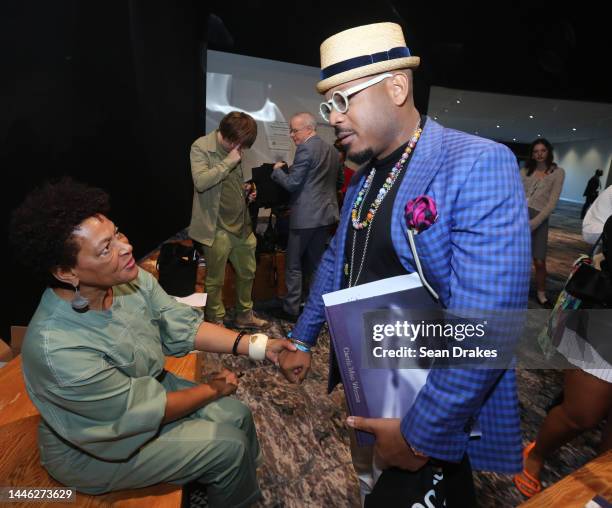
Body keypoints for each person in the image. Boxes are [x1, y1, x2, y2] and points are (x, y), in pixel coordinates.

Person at [277, 22, 530, 504]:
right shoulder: (366, 173)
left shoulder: (475, 163)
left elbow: (488, 326)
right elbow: (339, 260)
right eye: (329, 105)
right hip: (368, 380)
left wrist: (420, 434)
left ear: (397, 87)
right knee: (370, 485)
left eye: (343, 100)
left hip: (429, 395)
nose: (334, 117)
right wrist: (303, 336)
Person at [9, 178, 295, 507]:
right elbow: (138, 413)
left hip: (146, 391)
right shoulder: (57, 347)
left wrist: (262, 347)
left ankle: (228, 483)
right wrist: (213, 389)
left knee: (238, 415)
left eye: (117, 233)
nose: (125, 247)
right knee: (227, 447)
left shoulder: (129, 279)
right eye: (105, 249)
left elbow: (183, 326)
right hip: (97, 448)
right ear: (66, 272)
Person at [514, 195, 612, 498]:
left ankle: (602, 477)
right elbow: (593, 231)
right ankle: (536, 454)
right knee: (582, 413)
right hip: (606, 319)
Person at [188, 111, 267, 328]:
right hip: (216, 227)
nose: (241, 150)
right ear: (231, 138)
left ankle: (244, 315)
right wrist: (228, 162)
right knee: (215, 280)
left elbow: (228, 185)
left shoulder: (235, 149)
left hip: (241, 226)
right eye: (240, 145)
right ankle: (215, 320)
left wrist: (247, 191)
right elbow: (202, 182)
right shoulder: (201, 147)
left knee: (248, 272)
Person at [270, 112, 342, 321]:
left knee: (293, 264)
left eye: (295, 130)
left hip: (304, 218)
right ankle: (314, 307)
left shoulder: (305, 149)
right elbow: (337, 184)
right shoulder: (333, 151)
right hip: (325, 216)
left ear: (309, 129)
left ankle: (291, 309)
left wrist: (277, 171)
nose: (292, 135)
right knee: (316, 265)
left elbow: (292, 184)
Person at [520, 138, 565, 307]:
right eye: (535, 151)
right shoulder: (524, 171)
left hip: (540, 218)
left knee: (539, 260)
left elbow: (552, 203)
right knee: (518, 257)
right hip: (520, 215)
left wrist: (534, 223)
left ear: (548, 152)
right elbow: (516, 193)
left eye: (543, 151)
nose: (539, 154)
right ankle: (516, 289)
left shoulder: (558, 172)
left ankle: (541, 293)